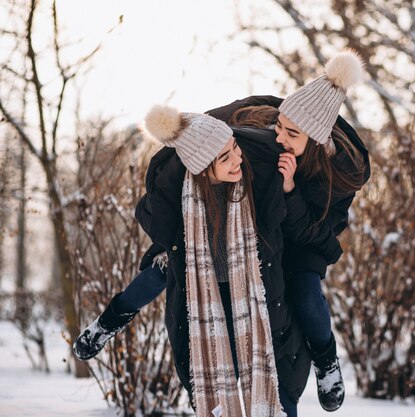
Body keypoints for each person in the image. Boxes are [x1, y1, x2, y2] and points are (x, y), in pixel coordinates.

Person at [74, 50, 370, 412]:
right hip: (238, 220)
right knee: (160, 269)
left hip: (304, 231)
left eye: (291, 133)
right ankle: (106, 324)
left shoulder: (338, 176)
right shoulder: (261, 140)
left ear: (317, 137)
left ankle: (327, 362)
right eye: (279, 125)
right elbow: (204, 138)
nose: (280, 136)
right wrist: (183, 139)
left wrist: (290, 190)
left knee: (306, 293)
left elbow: (320, 232)